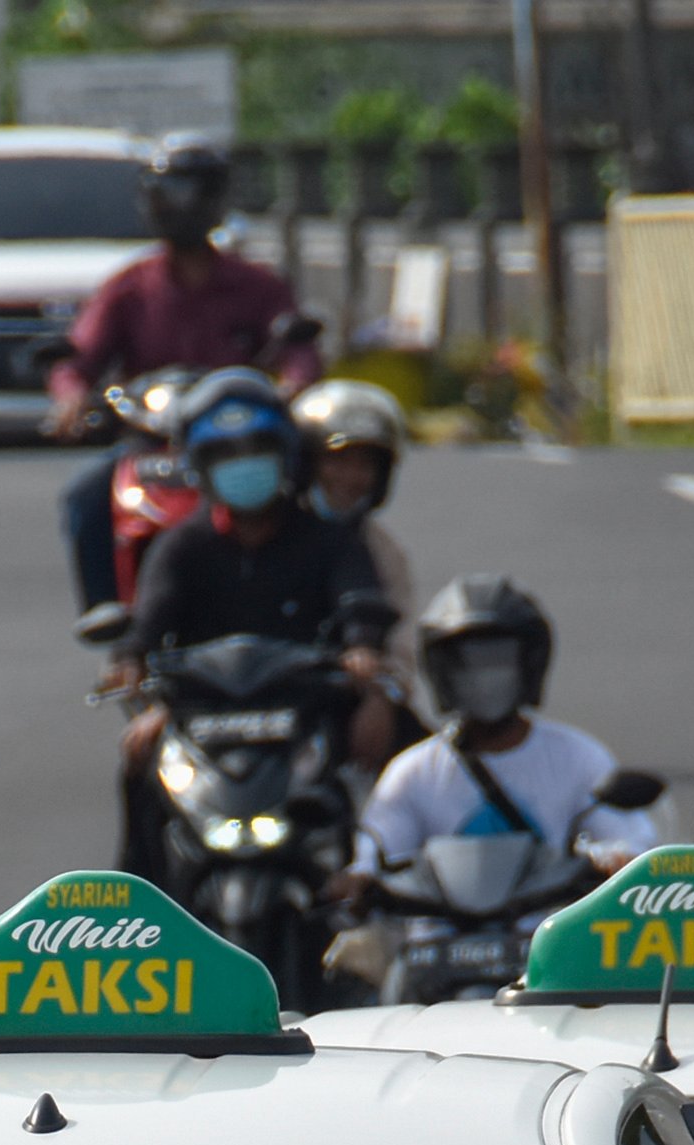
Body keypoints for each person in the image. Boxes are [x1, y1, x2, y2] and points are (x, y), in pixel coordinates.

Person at [110, 372, 397, 877]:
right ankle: (146, 907)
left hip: (309, 711)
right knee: (138, 763)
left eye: (256, 451)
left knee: (405, 754)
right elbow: (149, 620)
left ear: (285, 457)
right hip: (204, 717)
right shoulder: (181, 547)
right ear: (201, 468)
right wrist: (132, 665)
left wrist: (367, 665)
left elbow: (362, 603)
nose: (244, 466)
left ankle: (381, 902)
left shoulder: (328, 541)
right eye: (227, 456)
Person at [47, 139, 321, 626]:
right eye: (167, 193)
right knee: (85, 496)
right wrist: (69, 399)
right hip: (153, 441)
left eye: (193, 192)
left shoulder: (258, 286)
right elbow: (78, 360)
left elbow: (299, 350)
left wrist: (292, 387)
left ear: (217, 200)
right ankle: (108, 615)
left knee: (314, 489)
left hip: (245, 438)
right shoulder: (127, 289)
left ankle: (325, 603)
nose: (180, 205)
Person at [347, 575, 657, 902]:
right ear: (443, 673)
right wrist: (358, 878)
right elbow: (377, 854)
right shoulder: (412, 771)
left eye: (497, 663)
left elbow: (630, 841)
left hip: (547, 943)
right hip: (433, 944)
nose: (484, 680)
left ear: (528, 665)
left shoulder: (579, 757)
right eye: (467, 665)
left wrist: (616, 858)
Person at [293, 378, 416, 673]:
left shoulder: (384, 552)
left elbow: (401, 649)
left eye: (364, 465)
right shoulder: (269, 532)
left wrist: (376, 678)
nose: (350, 477)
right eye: (337, 461)